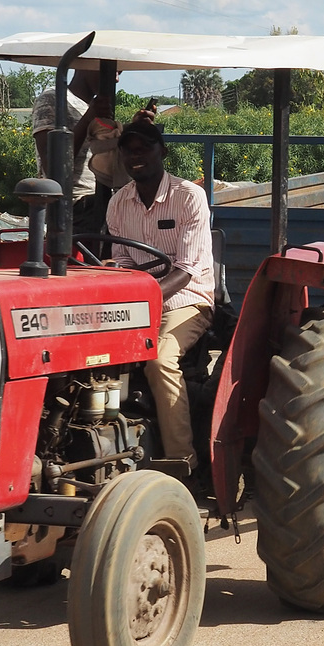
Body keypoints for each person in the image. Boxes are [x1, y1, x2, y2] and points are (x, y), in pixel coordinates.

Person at [105, 121, 215, 471]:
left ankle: (182, 464)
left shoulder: (188, 197)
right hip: (139, 302)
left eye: (144, 149)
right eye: (129, 150)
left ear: (161, 151)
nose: (136, 157)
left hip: (188, 300)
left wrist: (144, 296)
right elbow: (121, 259)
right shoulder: (118, 203)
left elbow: (186, 268)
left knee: (160, 358)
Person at [31, 66, 119, 227]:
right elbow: (53, 168)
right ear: (86, 65)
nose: (116, 79)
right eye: (113, 71)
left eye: (119, 73)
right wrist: (88, 119)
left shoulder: (96, 108)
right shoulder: (54, 99)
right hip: (73, 207)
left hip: (104, 201)